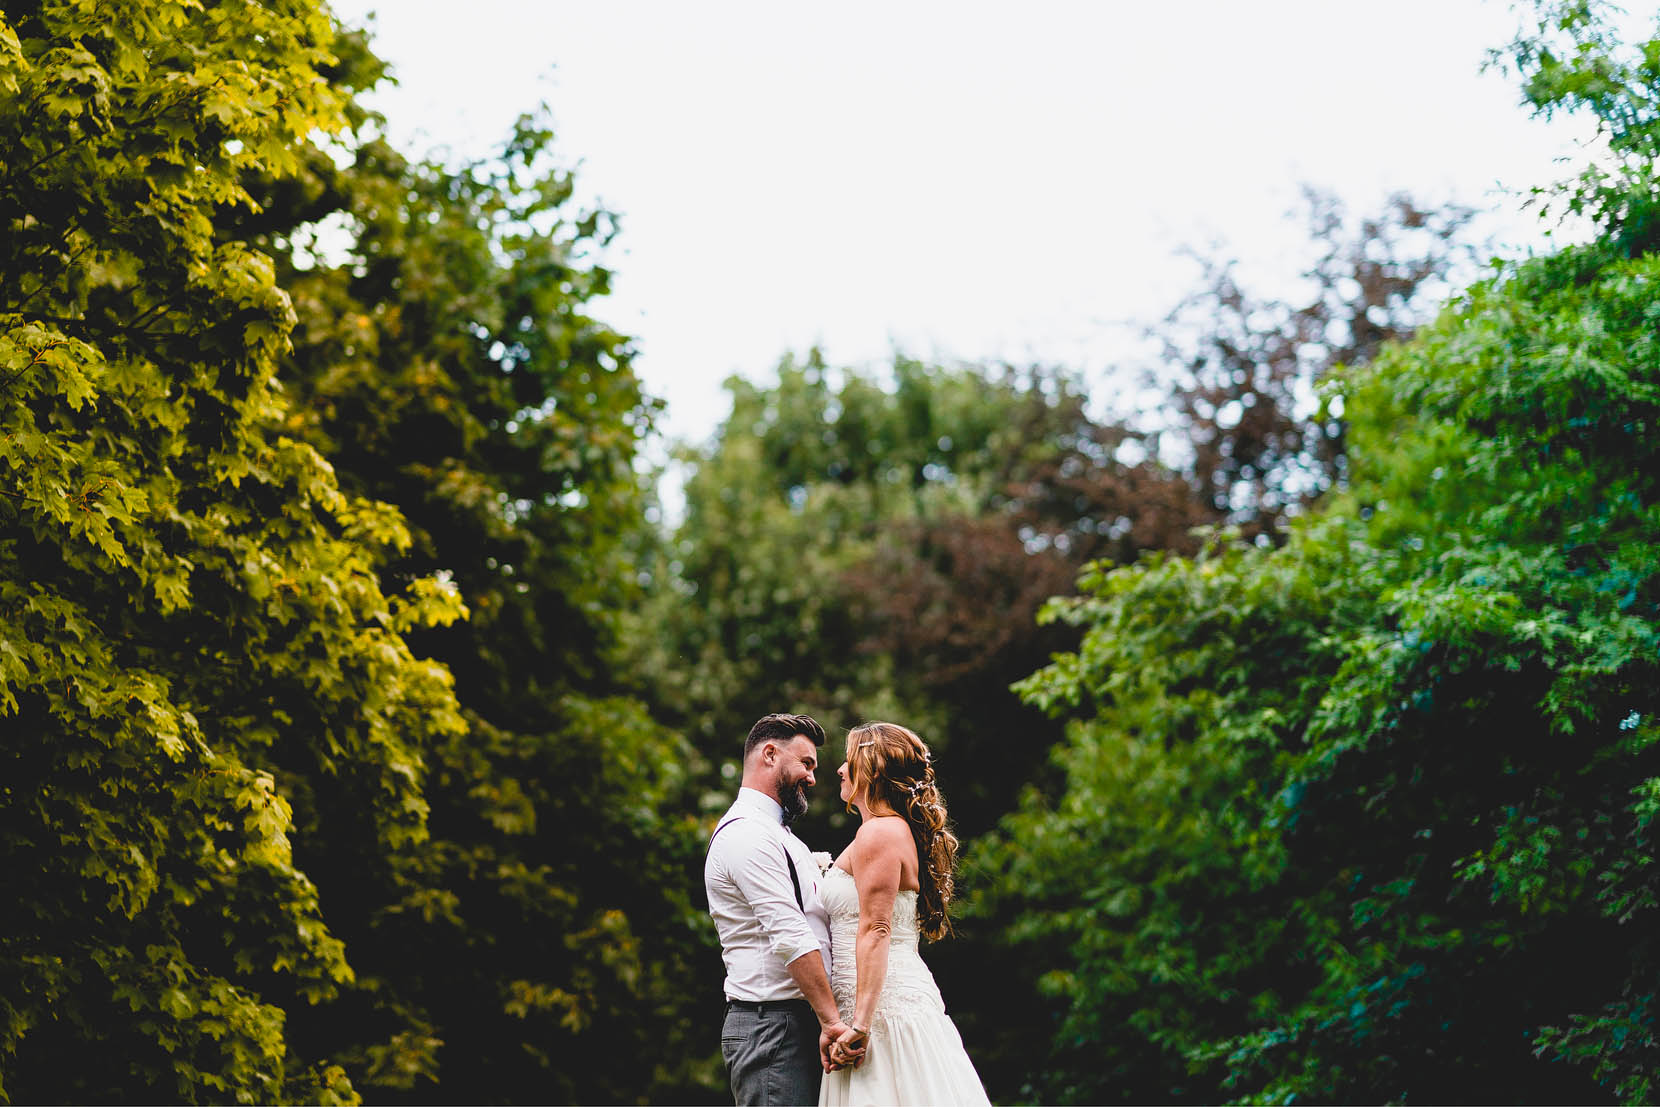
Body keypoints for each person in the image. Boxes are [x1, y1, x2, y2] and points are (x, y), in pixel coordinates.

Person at [819, 721, 990, 1106]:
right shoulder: (885, 832)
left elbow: (876, 928)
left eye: (848, 761)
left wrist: (861, 1024)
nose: (840, 770)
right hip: (869, 1004)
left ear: (872, 770)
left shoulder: (880, 833)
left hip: (882, 1013)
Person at [706, 713, 864, 1105]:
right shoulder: (746, 835)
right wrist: (831, 1021)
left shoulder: (779, 834)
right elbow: (792, 936)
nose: (812, 777)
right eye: (806, 763)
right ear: (771, 755)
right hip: (771, 1028)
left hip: (795, 1020)